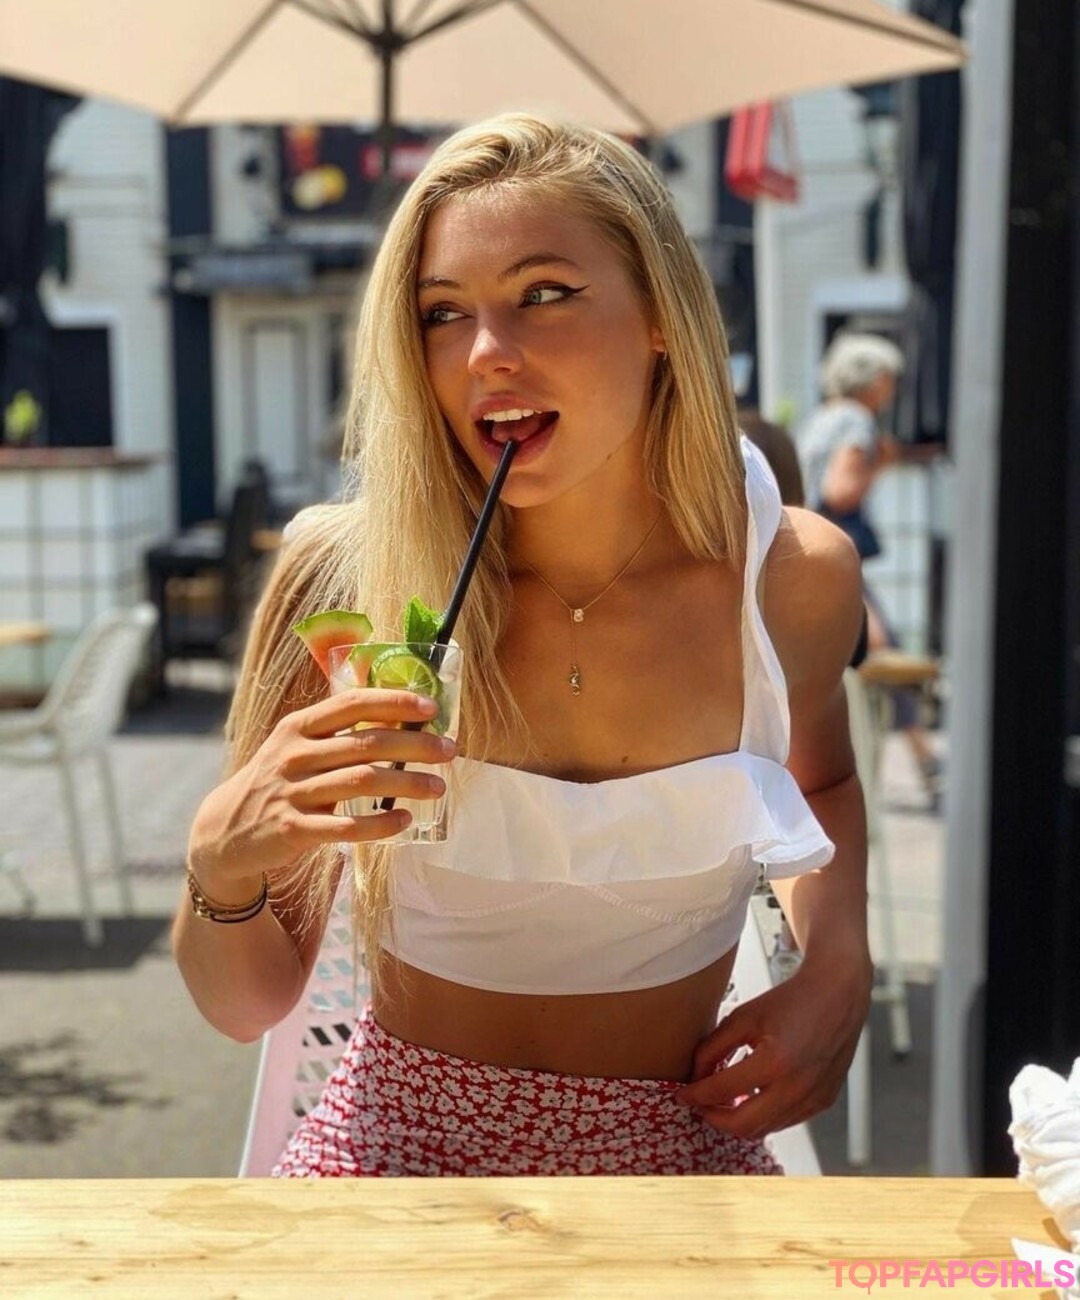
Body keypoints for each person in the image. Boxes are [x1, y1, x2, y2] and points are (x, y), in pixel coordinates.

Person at [172, 115, 872, 1178]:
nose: (486, 353)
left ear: (661, 318)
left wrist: (839, 963)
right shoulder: (348, 584)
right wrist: (220, 857)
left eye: (544, 293)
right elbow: (245, 1004)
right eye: (443, 312)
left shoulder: (791, 582)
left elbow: (823, 782)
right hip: (392, 1166)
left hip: (680, 1167)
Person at [796, 333, 941, 798]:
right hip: (838, 557)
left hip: (809, 555)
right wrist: (880, 464)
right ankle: (900, 766)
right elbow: (840, 491)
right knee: (880, 656)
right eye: (890, 379)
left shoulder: (821, 417)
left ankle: (916, 760)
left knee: (855, 660)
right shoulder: (857, 422)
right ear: (876, 380)